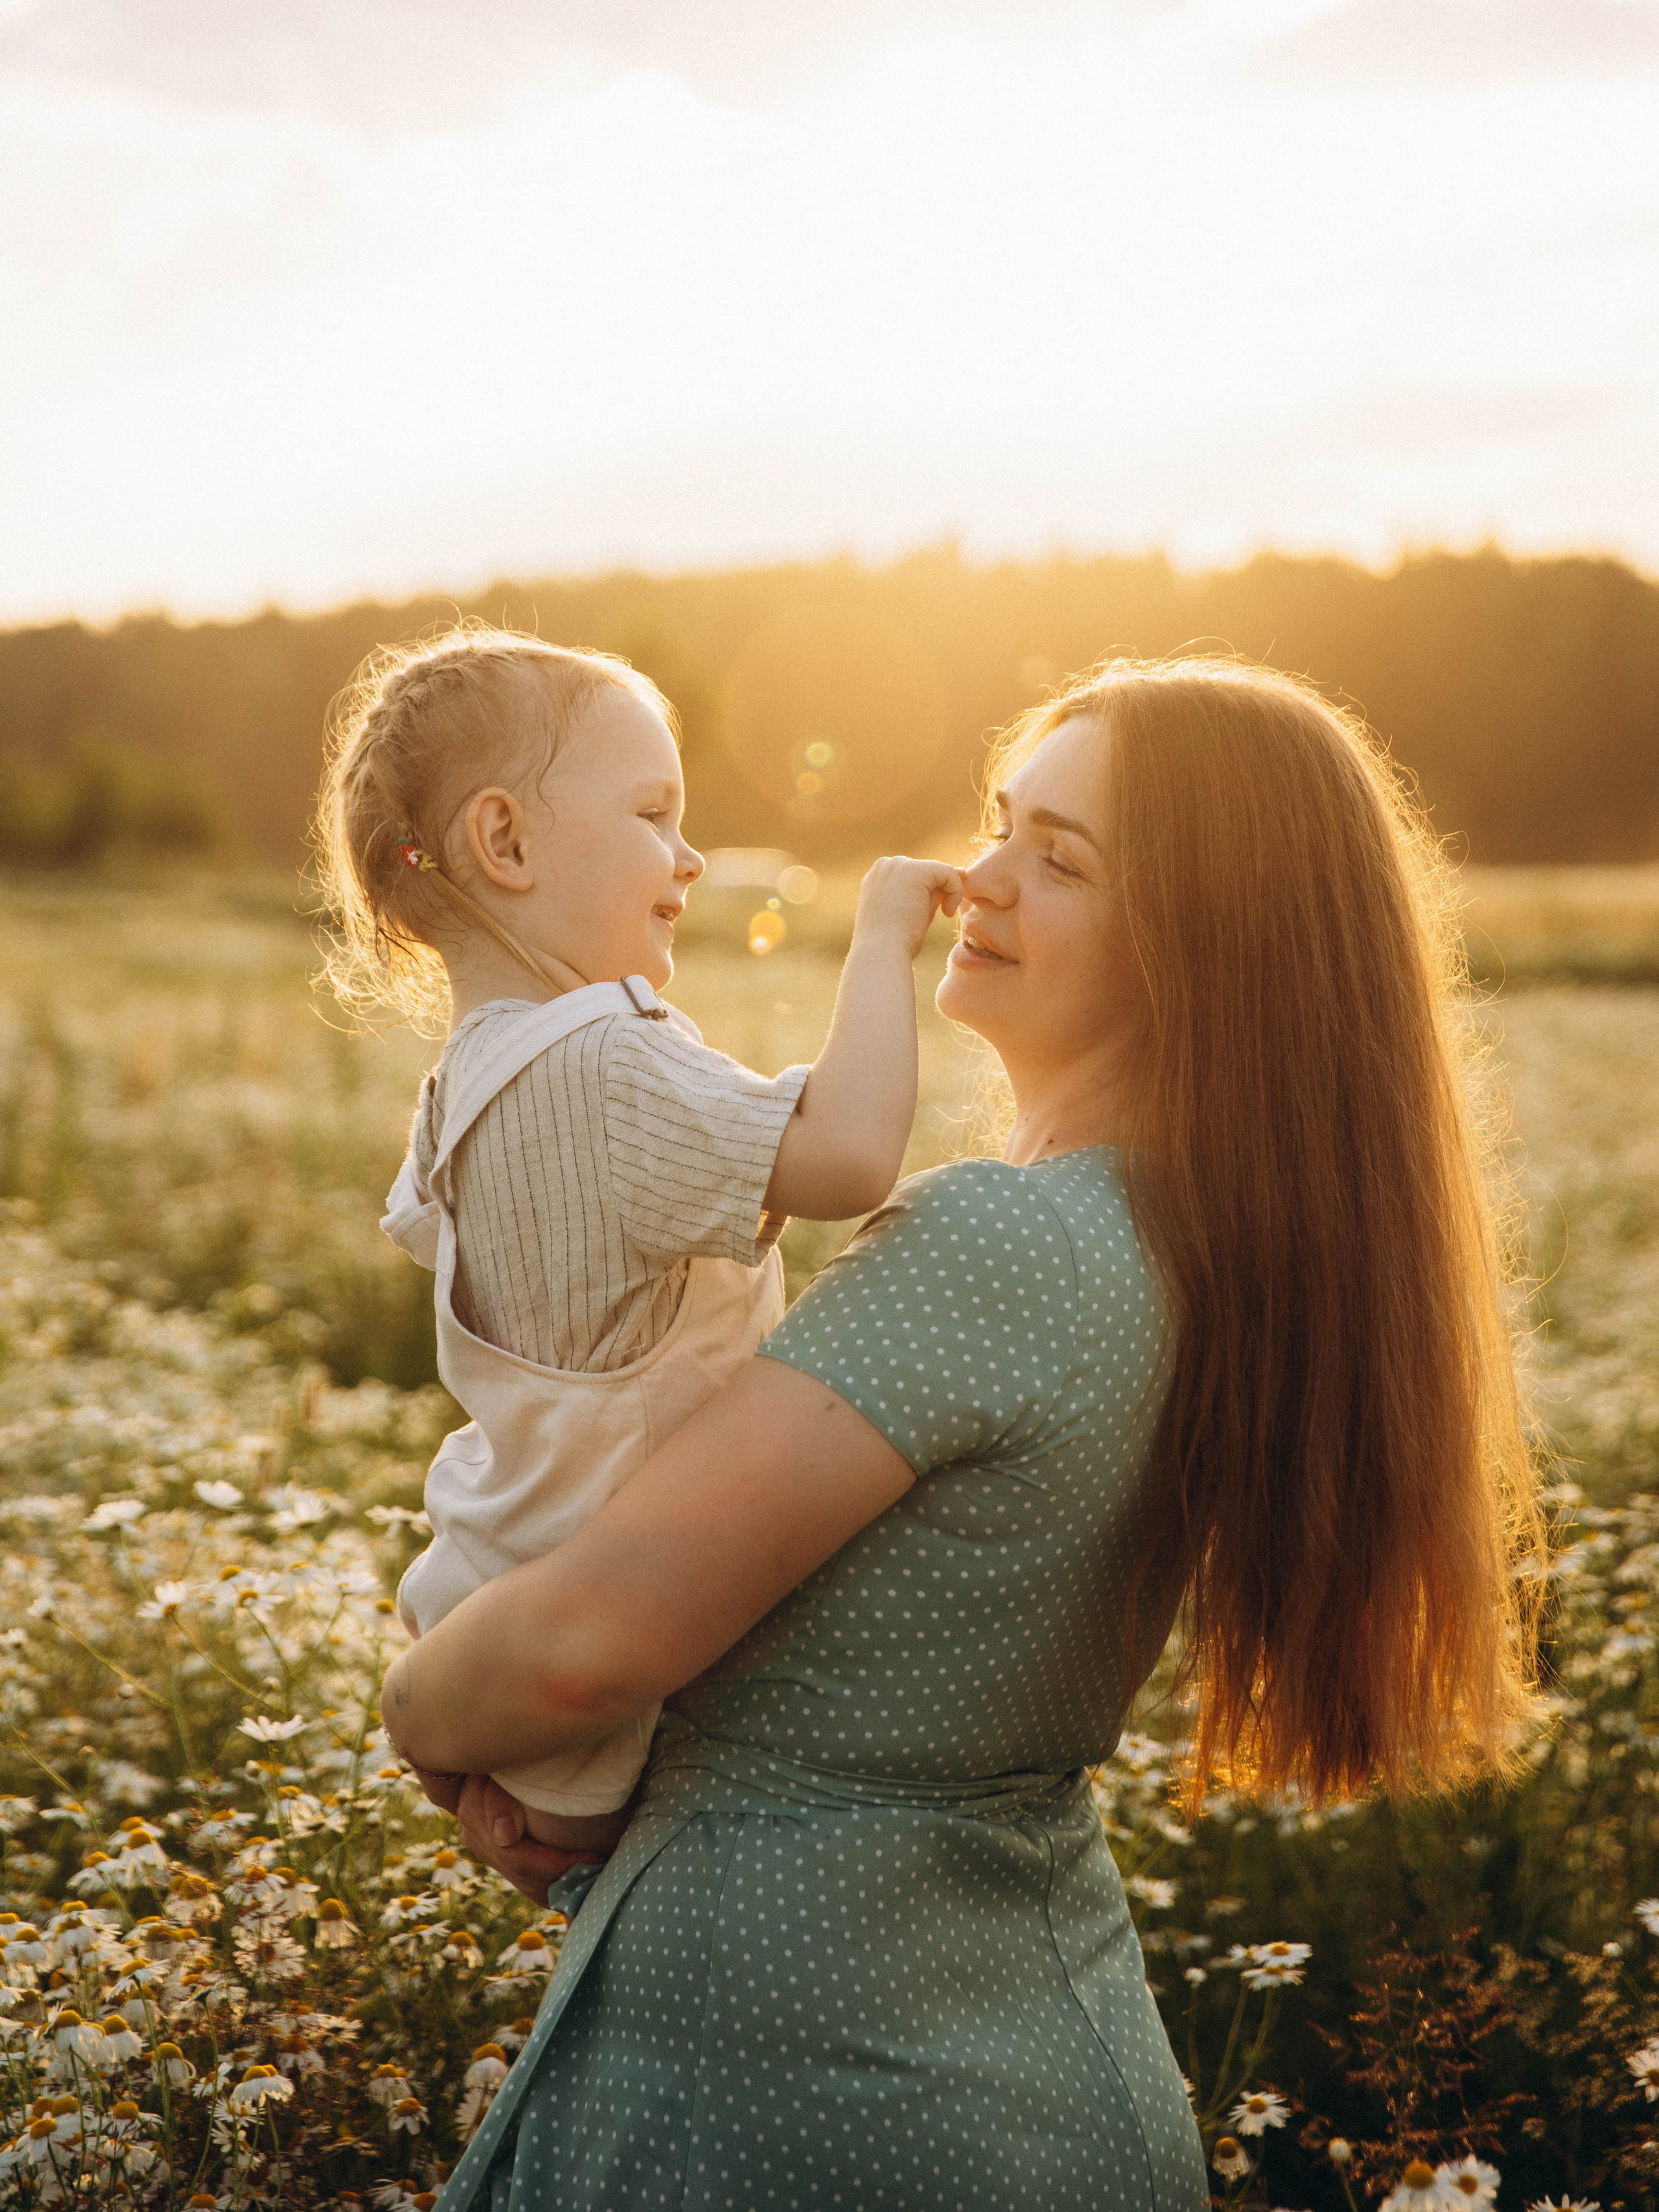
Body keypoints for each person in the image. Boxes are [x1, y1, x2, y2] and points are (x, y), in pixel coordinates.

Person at [383, 657, 1544, 2212]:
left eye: (1056, 860)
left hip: (835, 2098)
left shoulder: (1003, 1247)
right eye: (1002, 824)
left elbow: (578, 1650)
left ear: (1208, 944)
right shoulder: (1172, 1242)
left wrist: (421, 1720)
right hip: (974, 2053)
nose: (974, 878)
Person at [317, 626, 960, 1857]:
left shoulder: (463, 1089)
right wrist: (880, 937)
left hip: (487, 1581)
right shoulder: (608, 1057)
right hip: (614, 1635)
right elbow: (849, 1156)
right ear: (503, 842)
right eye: (655, 814)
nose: (692, 855)